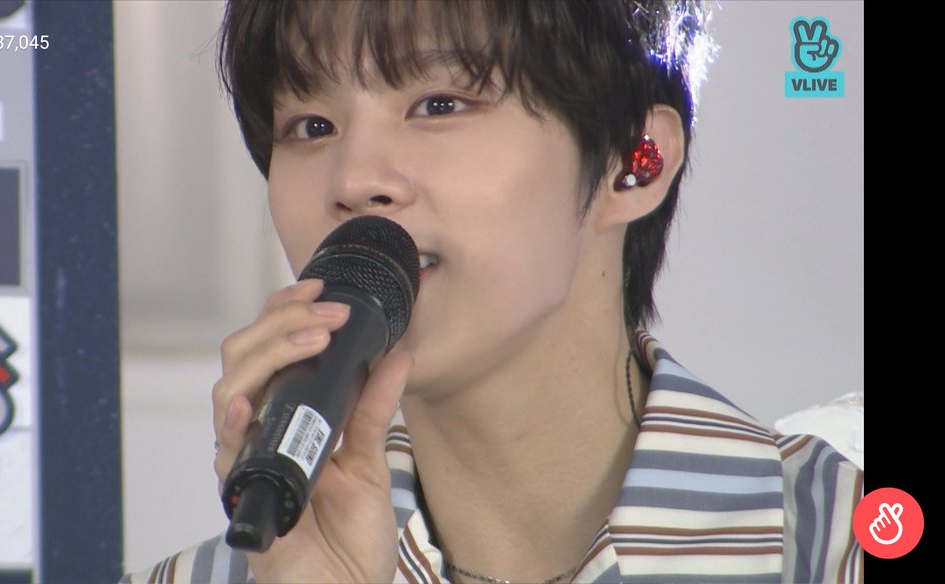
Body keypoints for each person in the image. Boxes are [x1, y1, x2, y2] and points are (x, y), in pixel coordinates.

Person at [124, 1, 862, 582]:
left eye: (440, 104)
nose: (354, 180)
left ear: (634, 163)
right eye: (311, 125)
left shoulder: (841, 544)